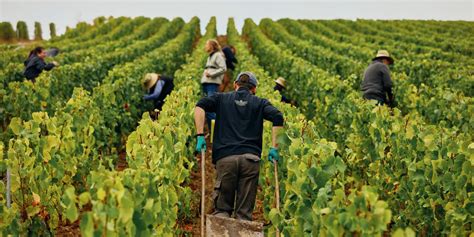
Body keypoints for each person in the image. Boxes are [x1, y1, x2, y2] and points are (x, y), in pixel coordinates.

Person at [194, 72, 284, 221]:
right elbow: (278, 117)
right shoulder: (260, 102)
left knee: (222, 212)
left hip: (226, 159)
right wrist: (275, 147)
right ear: (254, 89)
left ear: (235, 85)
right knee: (244, 215)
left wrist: (200, 135)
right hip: (250, 160)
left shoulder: (221, 98)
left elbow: (200, 106)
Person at [201, 39, 227, 128]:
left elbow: (223, 68)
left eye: (207, 44)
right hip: (207, 84)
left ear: (212, 46)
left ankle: (218, 131)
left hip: (212, 84)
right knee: (208, 109)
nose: (205, 46)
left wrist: (211, 74)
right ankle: (212, 131)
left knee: (210, 108)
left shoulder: (218, 55)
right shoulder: (210, 56)